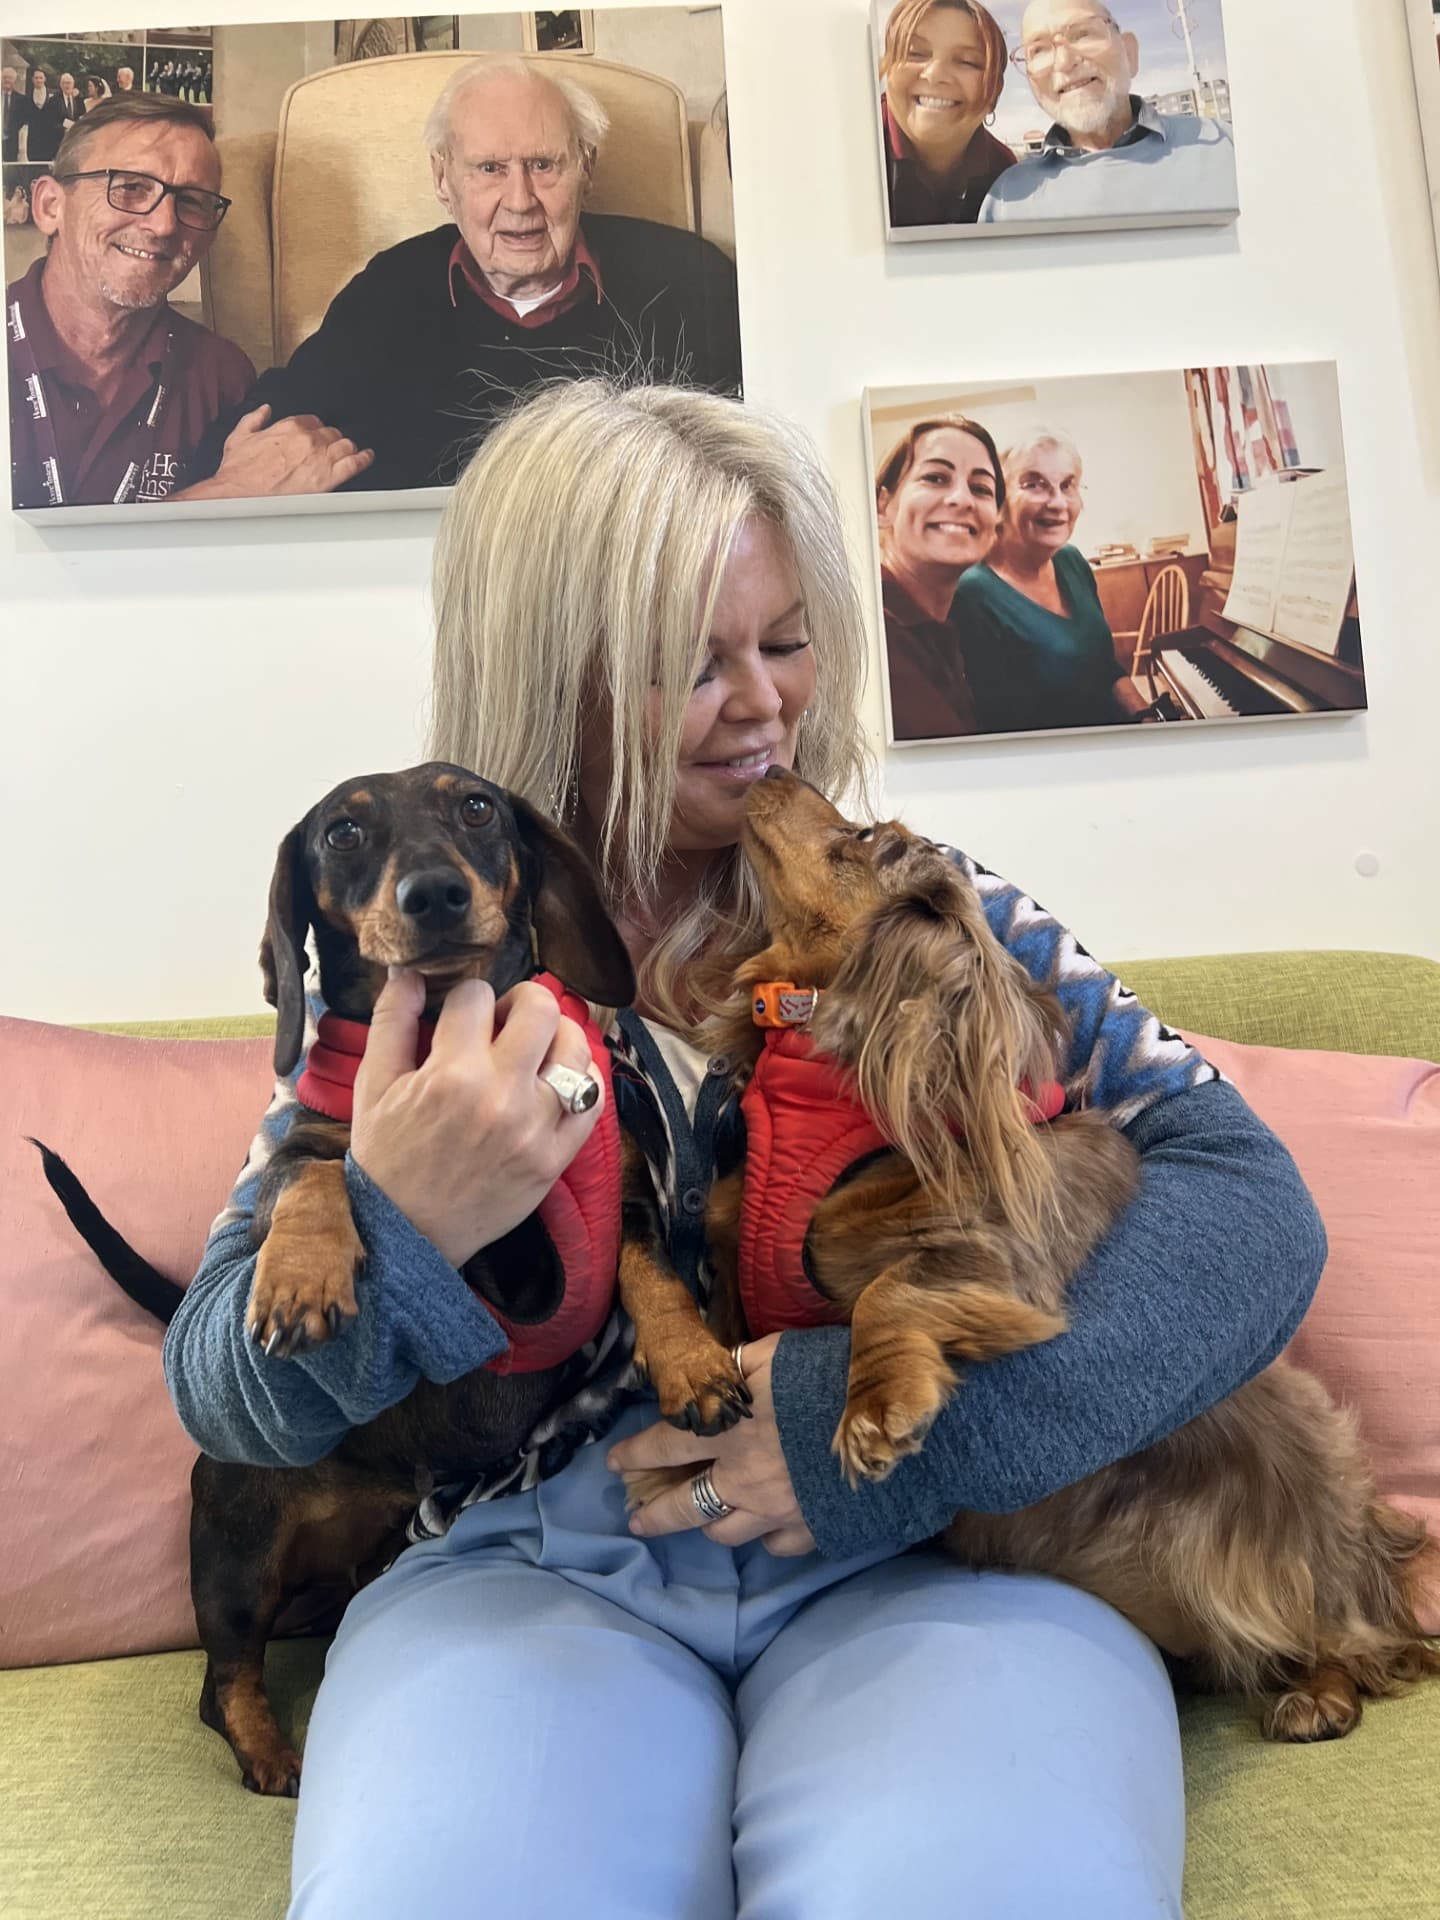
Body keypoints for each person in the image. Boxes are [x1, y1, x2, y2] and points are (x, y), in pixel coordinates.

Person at [163, 377, 1326, 1920]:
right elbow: (215, 1376)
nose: (767, 702)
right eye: (688, 665)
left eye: (785, 643)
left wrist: (899, 1432)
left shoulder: (922, 908)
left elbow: (1256, 1213)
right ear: (548, 674)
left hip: (929, 1558)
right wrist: (396, 1228)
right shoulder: (416, 970)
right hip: (527, 1569)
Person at [194, 58, 742, 493]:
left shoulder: (689, 278)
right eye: (490, 169)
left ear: (586, 168)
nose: (520, 201)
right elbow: (280, 419)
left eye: (544, 165)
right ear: (442, 178)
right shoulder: (390, 290)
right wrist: (226, 483)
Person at [6, 93, 374, 508]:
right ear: (50, 205)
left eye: (193, 202)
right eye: (130, 187)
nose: (164, 225)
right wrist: (221, 495)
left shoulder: (222, 376)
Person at [950, 427, 1154, 732]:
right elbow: (1000, 727)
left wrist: (1145, 716)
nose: (1058, 503)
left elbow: (1103, 665)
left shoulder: (1071, 560)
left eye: (1068, 485)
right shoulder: (972, 594)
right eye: (1034, 484)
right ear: (999, 500)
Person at [979, 0, 1237, 225]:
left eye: (1082, 34)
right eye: (1039, 50)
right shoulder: (1007, 200)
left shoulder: (1226, 147)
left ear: (1129, 52)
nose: (1064, 61)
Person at [874, 413, 1003, 738]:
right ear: (882, 506)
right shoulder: (875, 635)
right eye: (935, 478)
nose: (962, 499)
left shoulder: (952, 625)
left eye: (981, 488)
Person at [877, 0, 1015, 227]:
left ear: (994, 93)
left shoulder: (1005, 174)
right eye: (915, 53)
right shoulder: (849, 155)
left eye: (967, 62)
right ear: (887, 67)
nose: (935, 74)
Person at [20, 67, 65, 166]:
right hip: (34, 138)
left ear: (45, 79)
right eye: (36, 78)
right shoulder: (26, 97)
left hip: (49, 137)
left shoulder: (55, 95)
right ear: (32, 80)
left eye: (41, 78)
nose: (38, 80)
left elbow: (59, 114)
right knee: (34, 165)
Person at [2, 68, 22, 163]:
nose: (7, 80)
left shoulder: (21, 99)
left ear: (14, 80)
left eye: (9, 78)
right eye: (4, 77)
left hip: (11, 141)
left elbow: (22, 120)